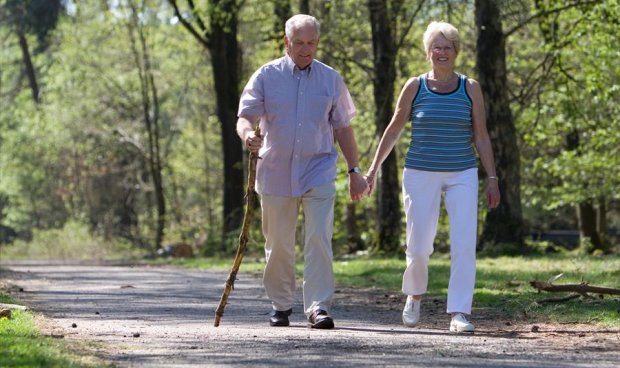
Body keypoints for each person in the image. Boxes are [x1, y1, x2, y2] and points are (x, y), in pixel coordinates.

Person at [365, 21, 500, 333]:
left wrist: (492, 178)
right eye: (436, 47)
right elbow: (395, 128)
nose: (442, 52)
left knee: (464, 242)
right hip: (420, 172)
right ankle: (414, 294)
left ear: (456, 52)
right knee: (419, 243)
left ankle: (459, 312)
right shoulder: (415, 86)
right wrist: (373, 169)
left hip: (462, 172)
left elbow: (481, 136)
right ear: (427, 52)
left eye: (448, 47)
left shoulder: (470, 88)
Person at [236, 14, 369, 329]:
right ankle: (281, 305)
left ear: (317, 43)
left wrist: (354, 170)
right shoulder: (266, 76)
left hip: (318, 168)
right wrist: (247, 136)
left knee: (319, 238)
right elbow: (245, 117)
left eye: (311, 43)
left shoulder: (331, 79)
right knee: (279, 242)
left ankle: (318, 307)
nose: (306, 49)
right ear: (287, 43)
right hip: (275, 171)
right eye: (299, 43)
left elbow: (344, 128)